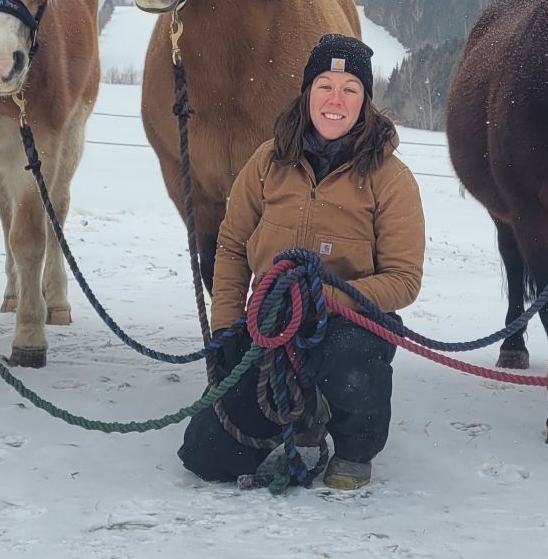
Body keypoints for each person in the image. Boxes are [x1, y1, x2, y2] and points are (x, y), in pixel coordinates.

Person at [177, 34, 425, 490]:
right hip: (271, 325)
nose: (336, 99)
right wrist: (228, 327)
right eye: (324, 85)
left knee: (352, 361)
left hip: (348, 324)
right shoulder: (266, 162)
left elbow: (403, 280)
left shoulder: (391, 179)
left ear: (365, 100)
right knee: (207, 457)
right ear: (307, 92)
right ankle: (301, 408)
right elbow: (231, 246)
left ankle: (354, 447)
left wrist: (323, 297)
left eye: (350, 88)